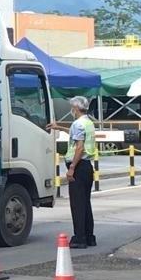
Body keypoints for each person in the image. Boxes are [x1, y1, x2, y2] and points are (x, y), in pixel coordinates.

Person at [47, 96, 97, 249]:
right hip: (87, 166)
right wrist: (60, 127)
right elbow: (76, 135)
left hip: (79, 166)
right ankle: (89, 237)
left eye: (72, 108)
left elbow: (79, 147)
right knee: (85, 203)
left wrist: (72, 168)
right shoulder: (88, 123)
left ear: (75, 108)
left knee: (77, 204)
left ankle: (79, 238)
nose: (71, 111)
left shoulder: (78, 123)